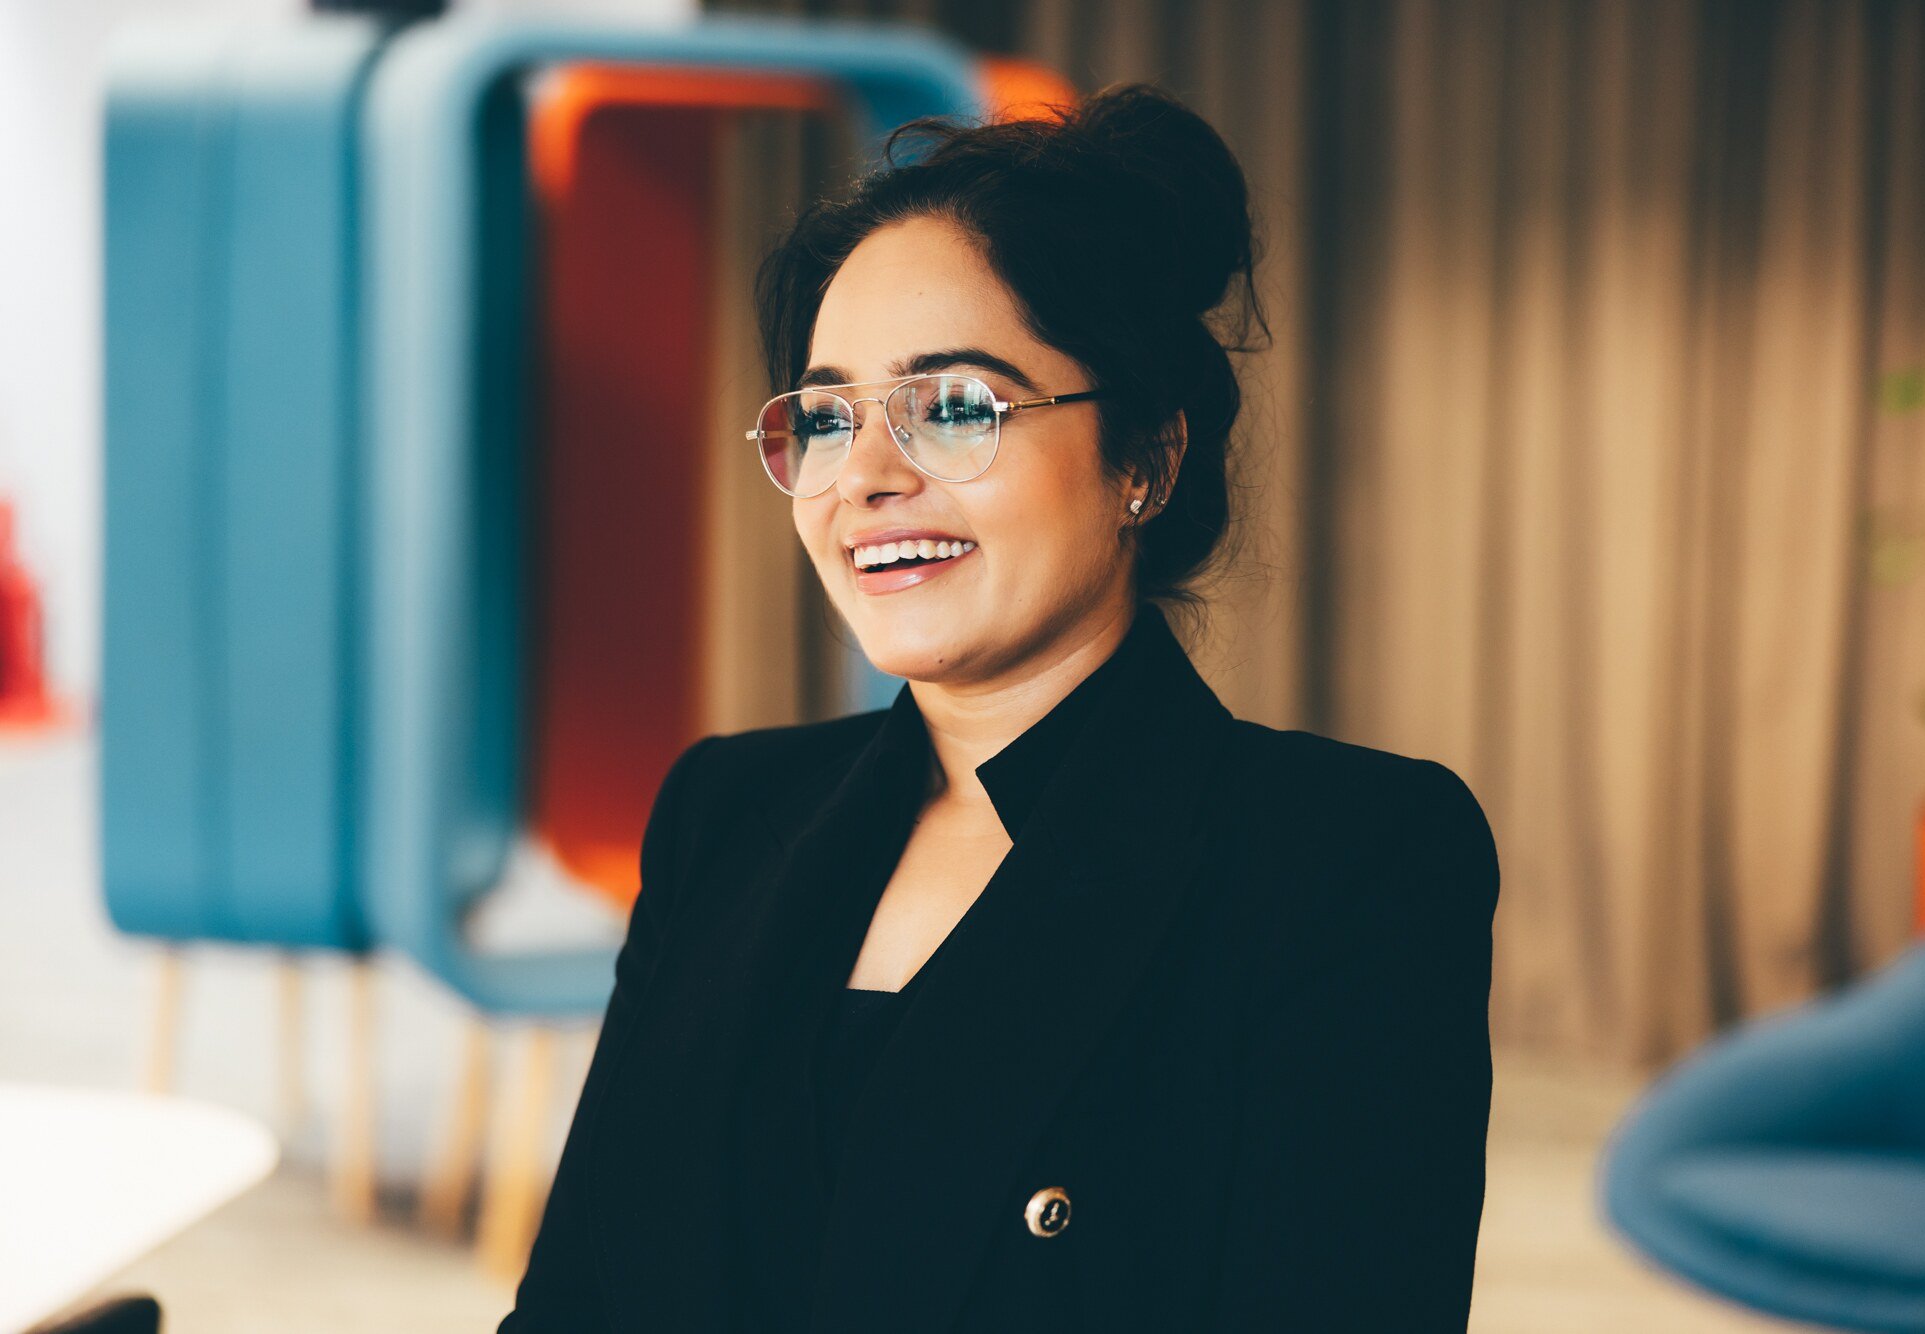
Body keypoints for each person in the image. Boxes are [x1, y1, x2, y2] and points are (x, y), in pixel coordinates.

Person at [499, 82, 1499, 1334]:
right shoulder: (725, 810)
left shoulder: (1346, 858)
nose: (864, 476)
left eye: (955, 406)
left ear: (1144, 457)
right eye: (825, 417)